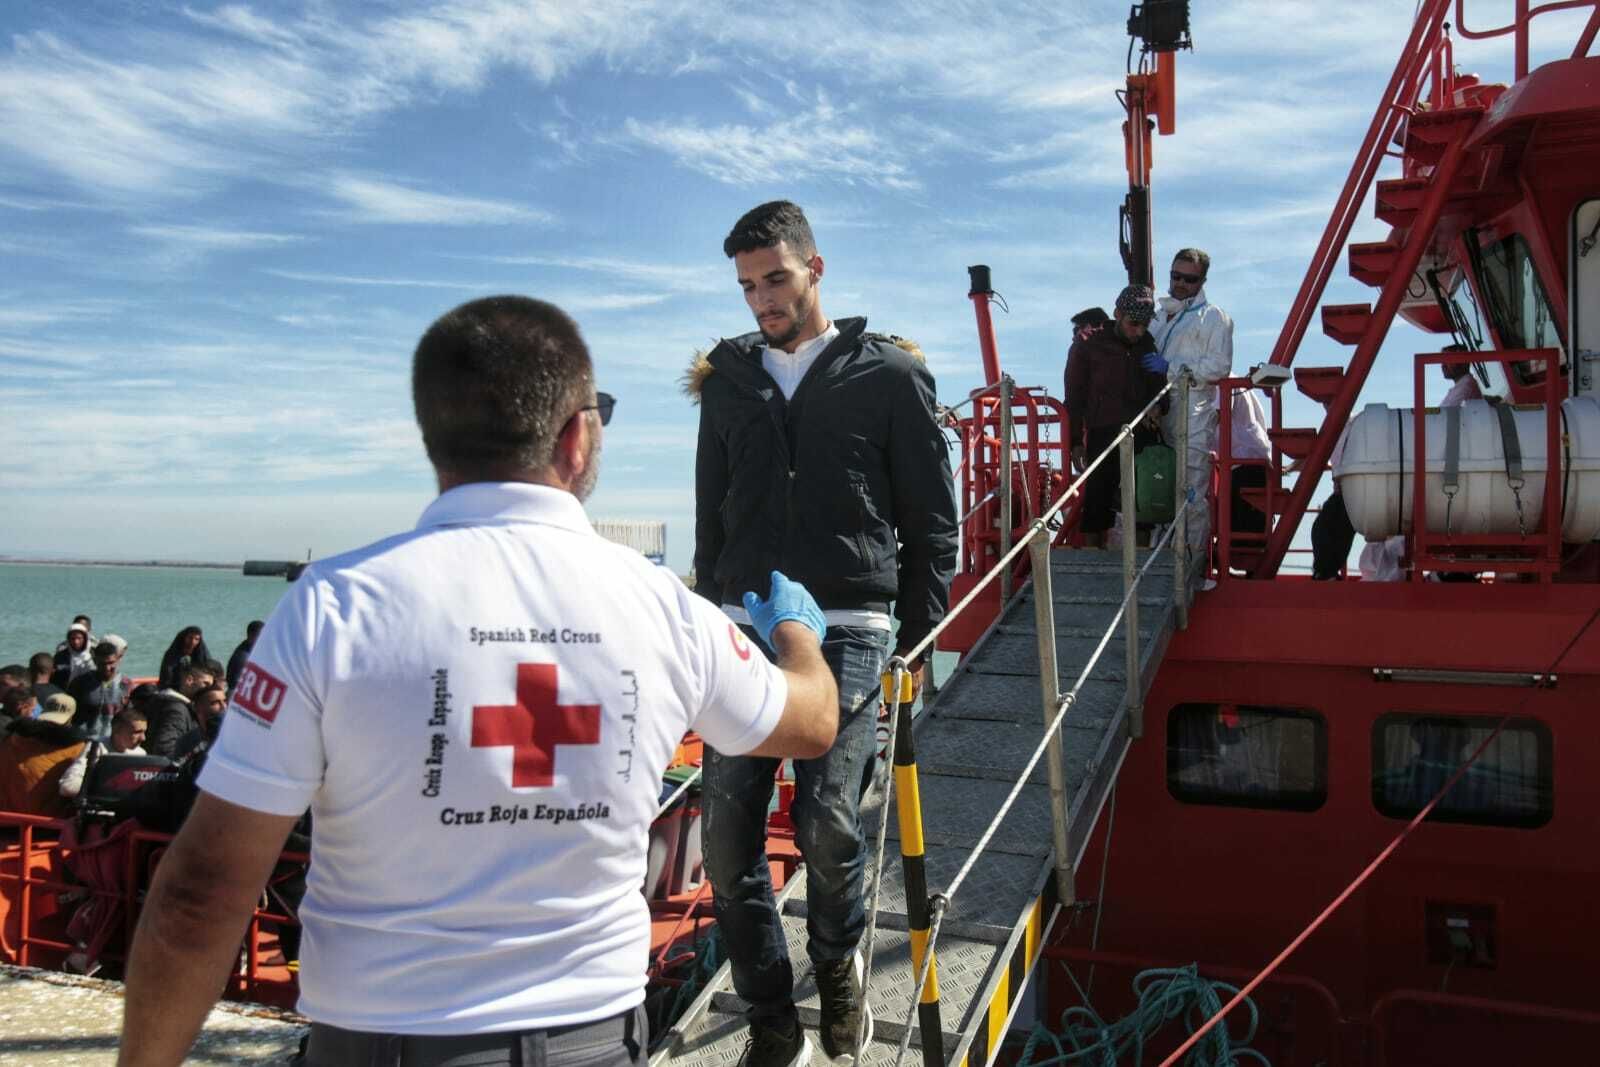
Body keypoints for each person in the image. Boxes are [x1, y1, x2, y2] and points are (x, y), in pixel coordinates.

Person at [119, 294, 843, 1067]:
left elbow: (200, 895)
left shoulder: (331, 606)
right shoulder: (662, 607)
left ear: (435, 439)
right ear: (578, 434)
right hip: (594, 1044)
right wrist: (795, 629)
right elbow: (813, 720)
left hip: (379, 1046)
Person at [689, 199, 958, 1067]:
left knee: (828, 826)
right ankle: (771, 1016)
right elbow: (710, 512)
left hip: (850, 623)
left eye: (775, 278)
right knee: (727, 838)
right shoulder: (728, 379)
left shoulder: (888, 375)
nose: (761, 300)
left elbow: (932, 522)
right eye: (747, 286)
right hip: (745, 623)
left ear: (815, 268)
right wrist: (707, 608)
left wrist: (917, 639)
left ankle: (836, 967)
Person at [1063, 285, 1168, 549]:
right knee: (1097, 498)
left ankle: (1142, 560)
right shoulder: (1088, 347)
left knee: (1143, 500)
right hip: (1103, 431)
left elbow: (1159, 388)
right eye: (1134, 324)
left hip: (1142, 431)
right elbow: (1074, 397)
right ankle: (1091, 558)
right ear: (1117, 314)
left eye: (1144, 325)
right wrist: (1075, 441)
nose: (1139, 331)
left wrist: (1160, 406)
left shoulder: (1146, 344)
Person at [1144, 249, 1234, 541]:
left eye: (1189, 279)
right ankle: (1158, 558)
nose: (1181, 283)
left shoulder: (1214, 319)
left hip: (1192, 413)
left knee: (1190, 489)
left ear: (1203, 280)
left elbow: (1218, 366)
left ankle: (1188, 568)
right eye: (1175, 276)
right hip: (1156, 411)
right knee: (1155, 486)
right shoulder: (1157, 316)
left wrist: (1170, 368)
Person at [0, 693, 89, 816]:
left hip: (6, 821)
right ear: (70, 719)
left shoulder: (9, 739)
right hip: (47, 826)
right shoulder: (78, 748)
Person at [58, 707, 149, 800]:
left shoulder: (140, 754)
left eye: (144, 732)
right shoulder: (96, 748)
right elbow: (68, 786)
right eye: (137, 732)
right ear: (116, 729)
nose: (143, 738)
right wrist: (107, 788)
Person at [143, 661, 217, 760]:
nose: (208, 690)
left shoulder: (163, 702)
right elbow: (165, 750)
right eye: (206, 684)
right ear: (189, 680)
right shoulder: (177, 711)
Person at [67, 637, 132, 742]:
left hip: (113, 742)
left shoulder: (126, 684)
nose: (107, 668)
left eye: (111, 663)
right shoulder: (80, 683)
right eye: (103, 664)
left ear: (118, 660)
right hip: (83, 740)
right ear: (95, 661)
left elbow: (129, 715)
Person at [52, 622, 95, 688]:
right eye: (73, 638)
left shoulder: (93, 654)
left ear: (85, 638)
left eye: (79, 638)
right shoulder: (60, 656)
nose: (76, 642)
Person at [227, 620, 264, 691]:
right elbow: (235, 684)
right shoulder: (243, 657)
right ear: (251, 636)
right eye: (261, 636)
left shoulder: (247, 647)